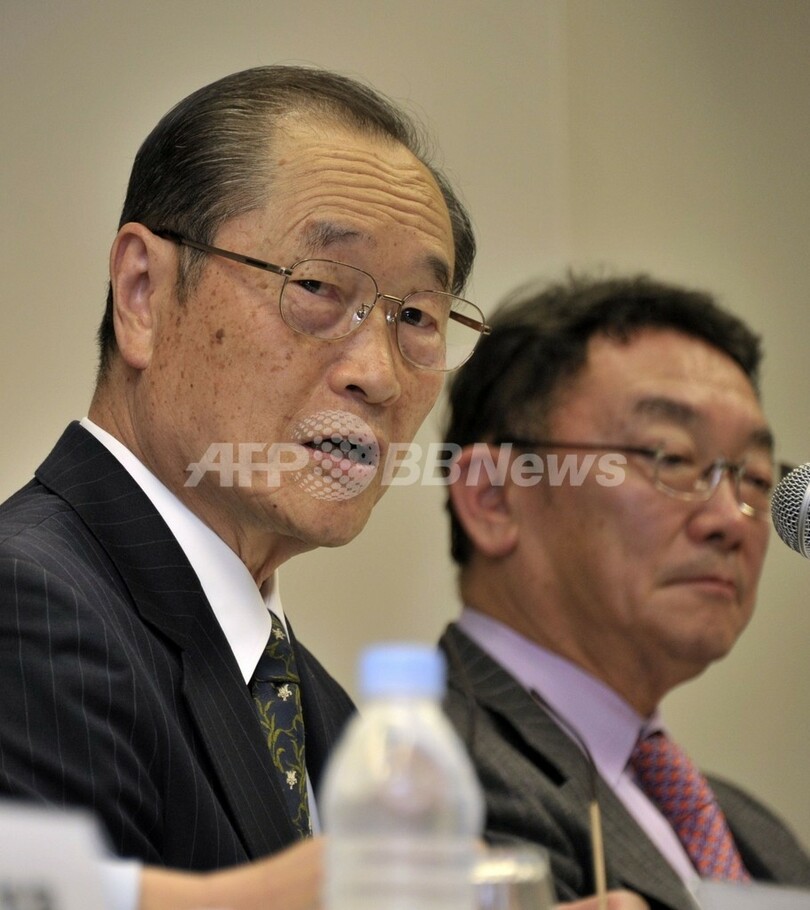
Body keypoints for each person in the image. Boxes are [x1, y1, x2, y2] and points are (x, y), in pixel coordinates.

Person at [0, 65, 636, 910]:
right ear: (143, 294)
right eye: (317, 288)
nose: (379, 374)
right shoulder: (28, 604)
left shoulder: (314, 703)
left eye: (418, 318)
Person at [439, 273, 810, 910]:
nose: (730, 519)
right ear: (492, 497)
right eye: (671, 458)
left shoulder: (755, 833)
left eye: (752, 476)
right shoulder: (431, 780)